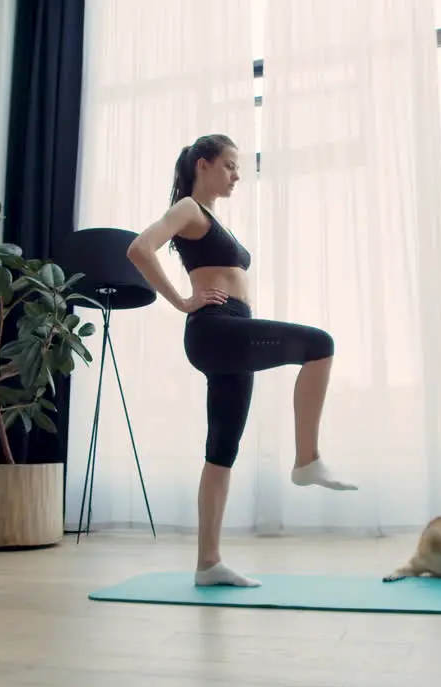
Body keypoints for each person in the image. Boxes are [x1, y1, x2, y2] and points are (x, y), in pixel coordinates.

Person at [125, 133, 356, 588]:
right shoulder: (189, 209)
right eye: (230, 166)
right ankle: (307, 459)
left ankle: (208, 564)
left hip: (229, 331)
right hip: (215, 328)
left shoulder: (211, 218)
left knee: (221, 452)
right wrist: (181, 301)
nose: (236, 176)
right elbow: (138, 248)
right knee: (319, 344)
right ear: (204, 165)